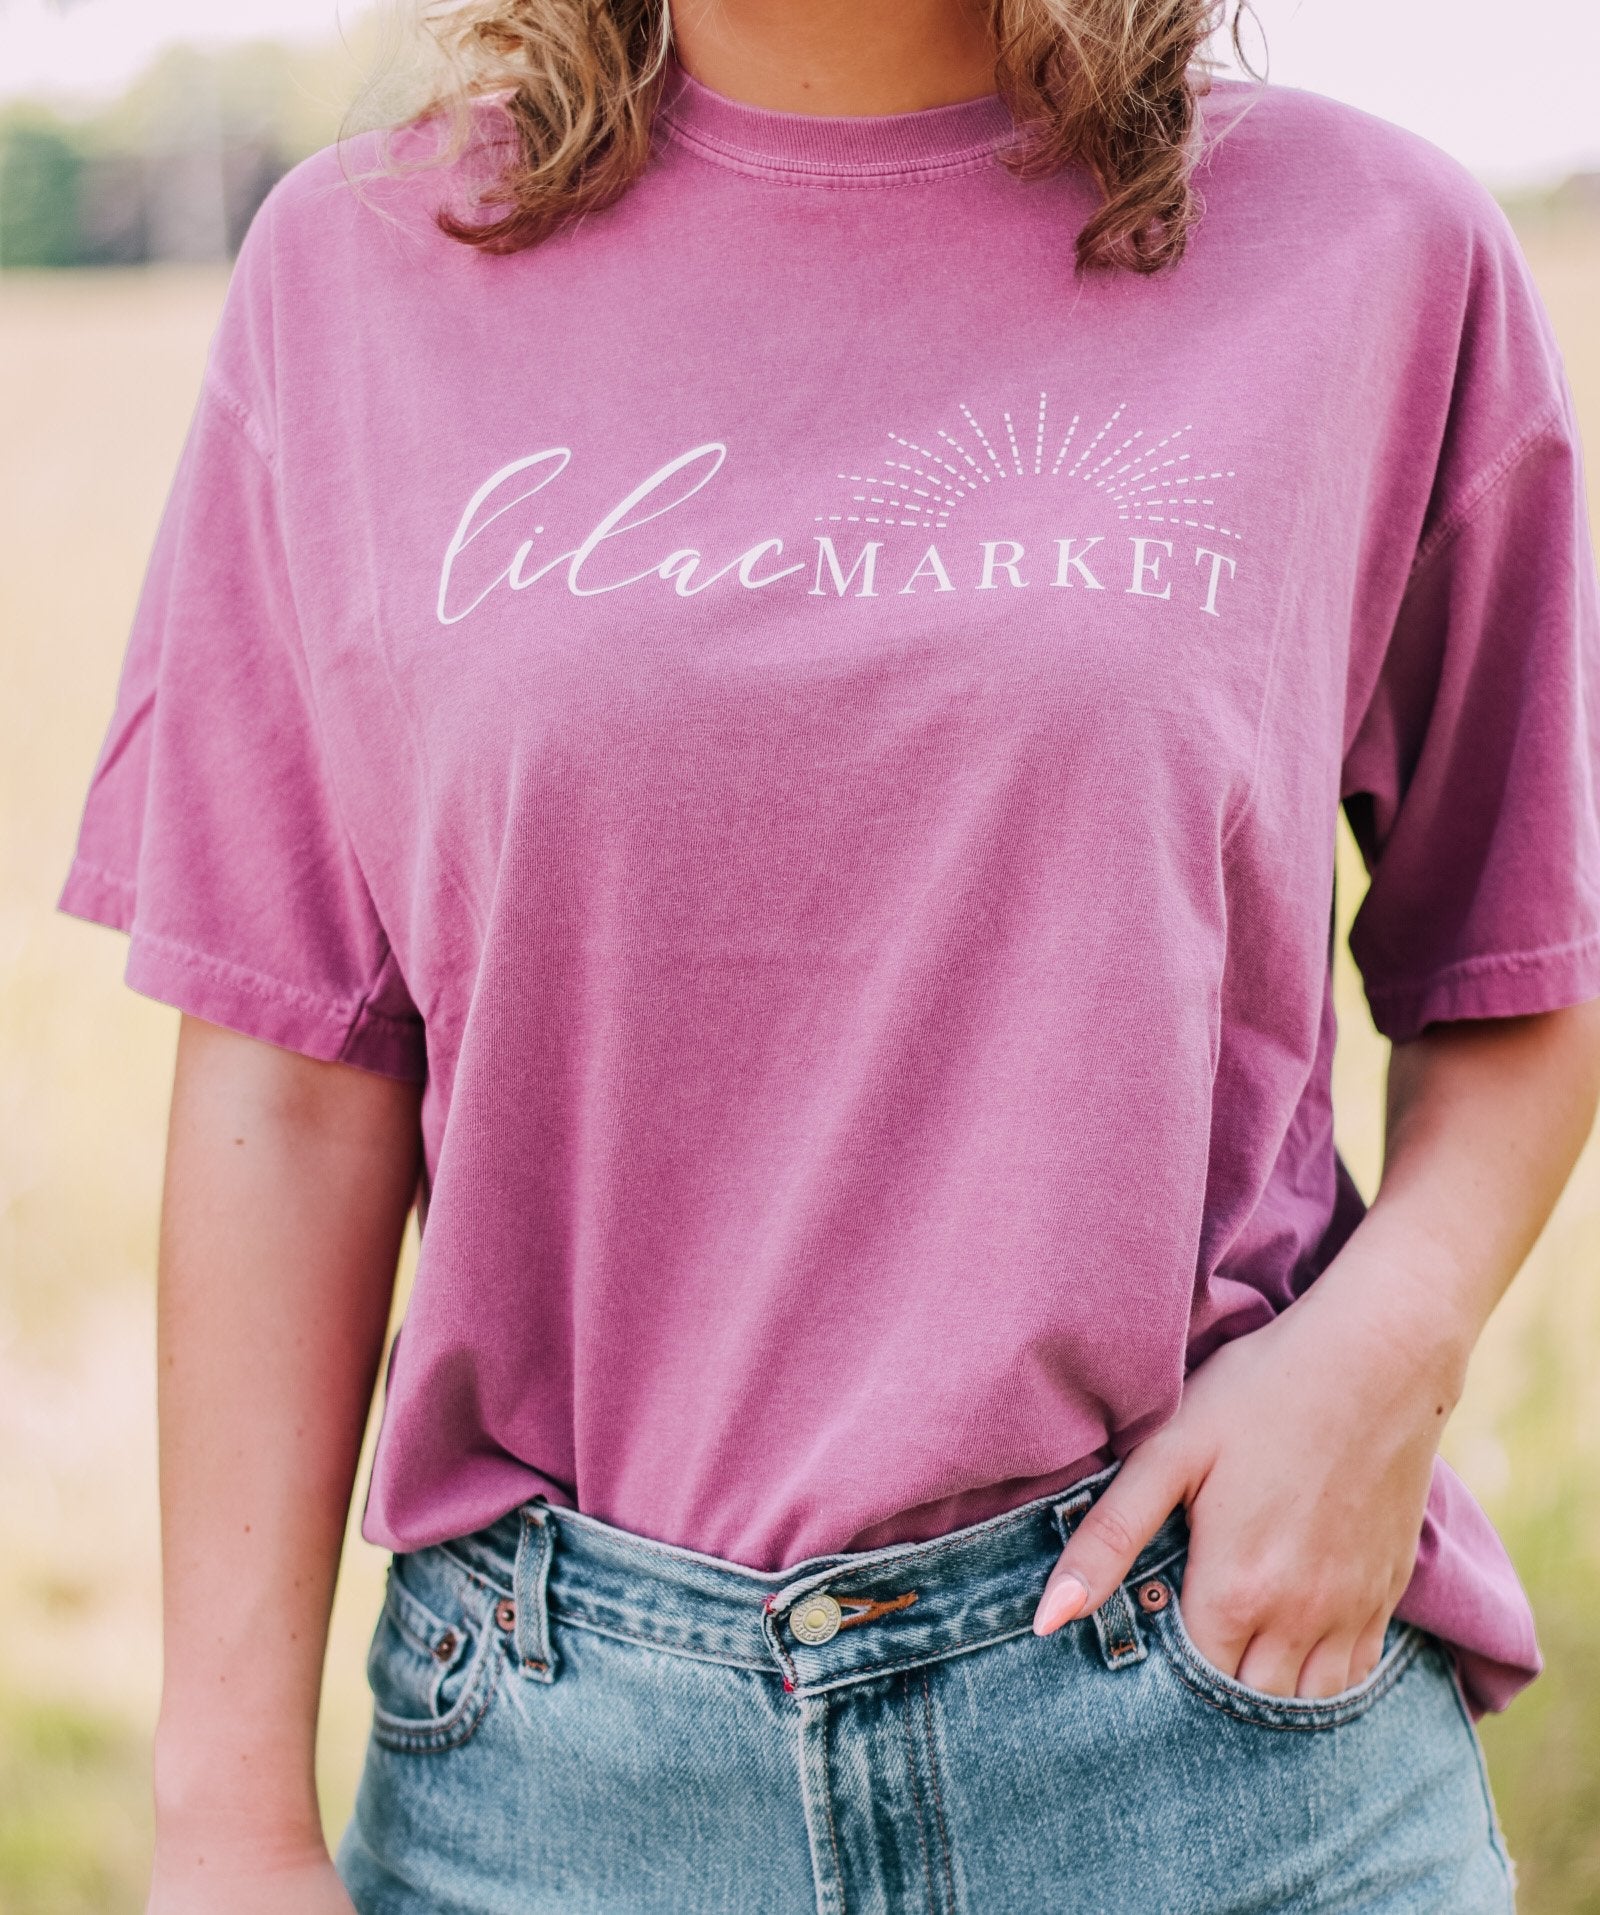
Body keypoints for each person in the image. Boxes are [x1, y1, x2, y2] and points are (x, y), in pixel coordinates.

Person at [55, 0, 1600, 1908]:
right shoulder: (359, 271)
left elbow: (1522, 953)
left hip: (1211, 1729)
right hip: (554, 1792)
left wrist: (1385, 1350)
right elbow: (293, 1077)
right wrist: (226, 1820)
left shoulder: (1372, 249)